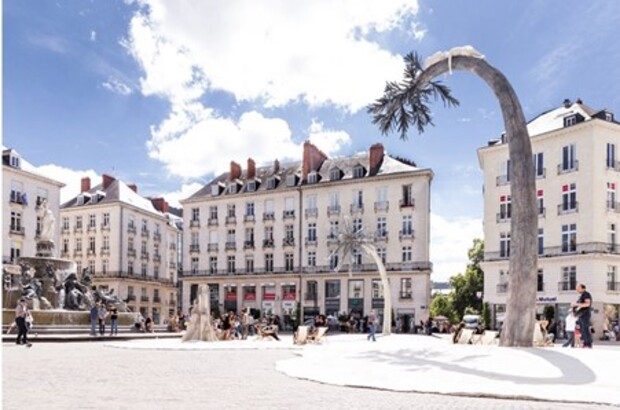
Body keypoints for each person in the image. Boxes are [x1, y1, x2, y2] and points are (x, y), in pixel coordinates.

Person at [572, 283, 593, 348]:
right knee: (582, 329)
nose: (577, 290)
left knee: (585, 328)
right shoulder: (581, 295)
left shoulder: (586, 294)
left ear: (582, 288)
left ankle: (588, 343)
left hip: (585, 314)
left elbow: (587, 304)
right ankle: (585, 343)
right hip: (581, 314)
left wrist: (576, 304)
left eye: (578, 288)